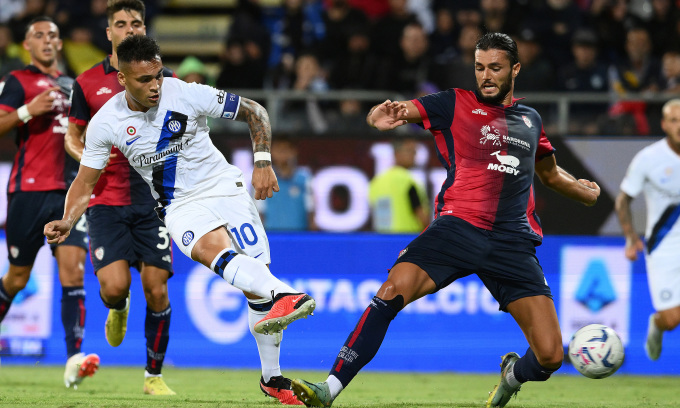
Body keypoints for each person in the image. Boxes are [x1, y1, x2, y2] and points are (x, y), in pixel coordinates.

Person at [291, 32, 601, 408]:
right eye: (479, 67)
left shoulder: (530, 120)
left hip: (512, 242)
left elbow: (550, 175)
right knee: (390, 291)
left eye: (495, 68)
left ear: (515, 70)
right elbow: (407, 109)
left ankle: (511, 376)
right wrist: (388, 113)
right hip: (458, 228)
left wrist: (585, 193)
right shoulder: (453, 104)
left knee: (551, 355)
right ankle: (330, 388)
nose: (486, 76)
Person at [46, 34, 316, 405]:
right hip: (178, 205)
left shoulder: (186, 92)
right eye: (144, 80)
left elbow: (255, 111)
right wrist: (66, 218)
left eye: (157, 75)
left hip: (227, 189)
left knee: (257, 284)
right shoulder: (106, 122)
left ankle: (272, 379)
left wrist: (263, 161)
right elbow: (84, 182)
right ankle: (285, 295)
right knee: (216, 255)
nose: (155, 85)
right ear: (122, 79)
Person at [65, 0, 177, 395]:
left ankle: (153, 376)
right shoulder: (86, 83)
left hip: (153, 202)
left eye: (136, 23)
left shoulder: (165, 79)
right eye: (121, 23)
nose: (129, 29)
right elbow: (72, 137)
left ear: (144, 28)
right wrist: (92, 159)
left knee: (158, 288)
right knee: (113, 288)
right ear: (108, 32)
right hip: (107, 200)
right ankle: (117, 307)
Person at [0, 16, 98, 389]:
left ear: (60, 44)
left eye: (52, 35)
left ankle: (75, 357)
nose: (46, 40)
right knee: (17, 277)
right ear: (26, 45)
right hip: (27, 192)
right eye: (38, 35)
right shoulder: (17, 82)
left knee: (72, 272)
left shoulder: (74, 87)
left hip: (67, 192)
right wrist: (27, 110)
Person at [615, 98, 680, 362]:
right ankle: (658, 323)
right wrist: (631, 237)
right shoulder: (649, 158)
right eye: (674, 120)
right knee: (672, 318)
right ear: (664, 124)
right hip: (663, 246)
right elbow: (623, 199)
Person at [369, 138, 429, 233]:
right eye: (409, 151)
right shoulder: (407, 181)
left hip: (382, 238)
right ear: (396, 154)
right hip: (407, 238)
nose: (414, 155)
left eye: (415, 151)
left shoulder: (376, 181)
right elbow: (421, 216)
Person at [257, 136, 315, 231]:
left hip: (300, 236)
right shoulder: (263, 179)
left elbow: (311, 212)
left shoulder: (305, 178)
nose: (282, 152)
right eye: (278, 149)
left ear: (294, 152)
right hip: (272, 237)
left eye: (286, 149)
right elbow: (259, 214)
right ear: (271, 152)